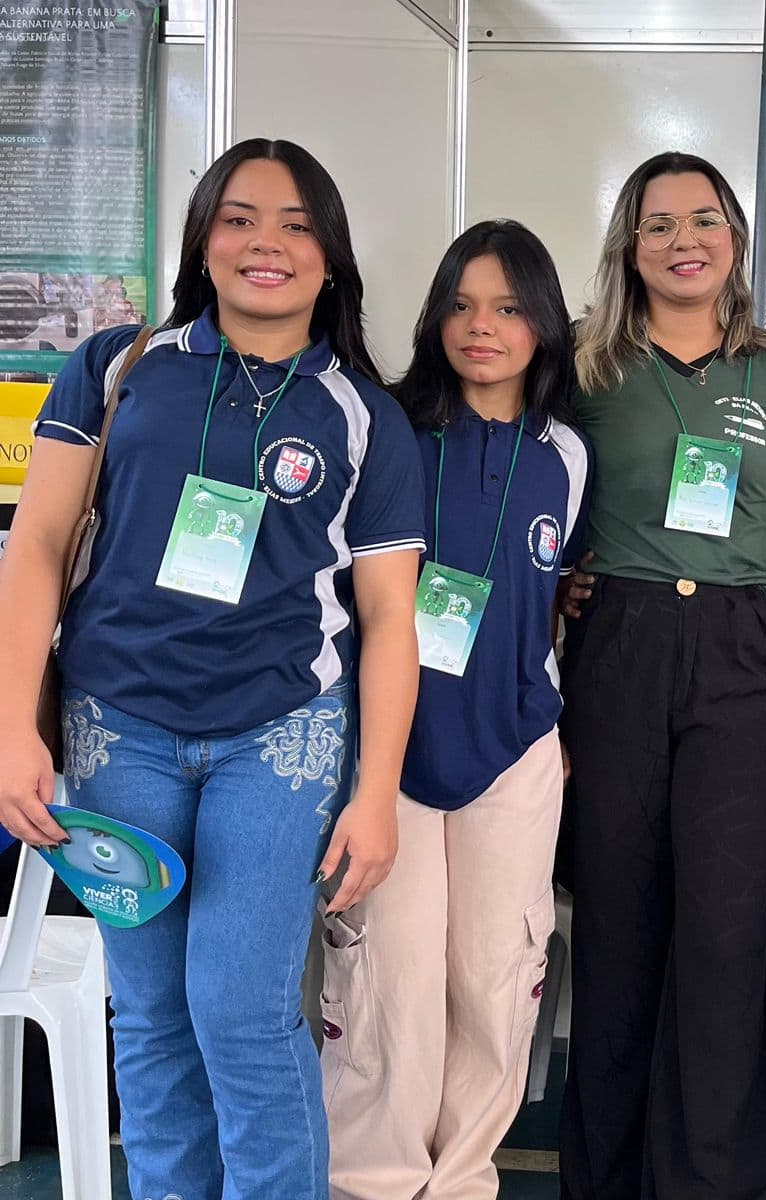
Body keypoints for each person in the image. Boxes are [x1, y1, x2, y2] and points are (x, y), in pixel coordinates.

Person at [0, 138, 424, 1200]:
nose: (264, 243)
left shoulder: (365, 416)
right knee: (147, 1015)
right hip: (117, 733)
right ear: (202, 238)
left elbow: (388, 620)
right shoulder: (119, 366)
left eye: (294, 223)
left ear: (330, 256)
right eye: (238, 217)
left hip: (279, 739)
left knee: (240, 1012)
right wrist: (13, 726)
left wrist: (376, 795)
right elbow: (37, 548)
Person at [556, 151, 766, 1200]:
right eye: (661, 223)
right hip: (615, 653)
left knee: (723, 942)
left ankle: (709, 1182)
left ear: (735, 240)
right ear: (630, 244)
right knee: (619, 934)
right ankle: (608, 1179)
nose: (685, 241)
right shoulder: (582, 366)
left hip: (739, 661)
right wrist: (555, 598)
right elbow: (533, 511)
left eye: (705, 220)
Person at [320, 218, 590, 1200]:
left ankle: (462, 1181)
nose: (484, 328)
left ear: (543, 325)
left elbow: (558, 583)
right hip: (386, 756)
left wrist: (547, 715)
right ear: (436, 316)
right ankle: (372, 1183)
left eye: (510, 307)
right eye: (464, 305)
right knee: (387, 982)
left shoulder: (566, 451)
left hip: (513, 752)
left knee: (492, 981)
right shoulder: (381, 427)